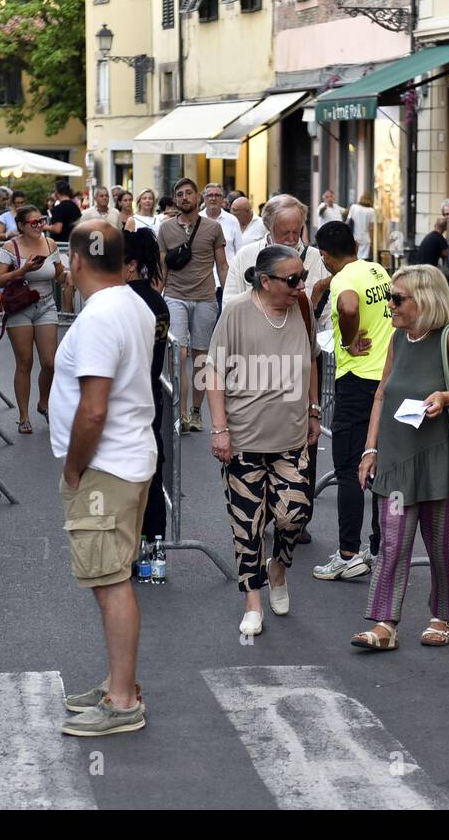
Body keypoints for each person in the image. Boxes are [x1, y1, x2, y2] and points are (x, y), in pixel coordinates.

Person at [350, 265, 449, 649]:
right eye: (390, 297)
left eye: (397, 298)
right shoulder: (399, 338)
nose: (390, 305)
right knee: (392, 542)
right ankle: (385, 624)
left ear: (426, 300)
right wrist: (370, 449)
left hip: (443, 461)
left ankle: (443, 617)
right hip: (398, 459)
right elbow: (383, 393)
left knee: (443, 545)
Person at [53, 220, 155, 737]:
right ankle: (122, 683)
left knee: (111, 582)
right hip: (128, 458)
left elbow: (93, 410)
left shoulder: (98, 316)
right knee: (113, 577)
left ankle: (121, 702)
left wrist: (73, 468)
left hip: (106, 466)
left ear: (75, 262)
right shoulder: (132, 302)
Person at [206, 245, 321, 636]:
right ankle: (252, 600)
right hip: (243, 438)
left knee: (295, 515)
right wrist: (219, 429)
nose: (300, 285)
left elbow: (310, 360)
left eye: (302, 276)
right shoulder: (237, 310)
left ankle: (279, 568)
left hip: (291, 436)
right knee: (247, 522)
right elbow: (214, 370)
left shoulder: (301, 308)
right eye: (292, 280)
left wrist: (314, 411)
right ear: (265, 280)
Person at [312, 221, 390, 582]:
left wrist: (346, 340)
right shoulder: (376, 269)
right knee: (377, 467)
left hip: (358, 379)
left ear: (326, 257)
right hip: (387, 379)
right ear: (355, 244)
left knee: (348, 468)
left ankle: (347, 553)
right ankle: (377, 549)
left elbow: (346, 305)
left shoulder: (344, 280)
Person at [157, 178, 227, 433]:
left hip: (206, 297)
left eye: (189, 193)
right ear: (174, 200)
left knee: (201, 358)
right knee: (179, 354)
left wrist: (227, 297)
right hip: (175, 296)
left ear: (197, 197)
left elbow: (222, 264)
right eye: (179, 194)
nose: (184, 197)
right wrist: (158, 296)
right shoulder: (165, 229)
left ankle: (197, 411)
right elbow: (162, 265)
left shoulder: (213, 228)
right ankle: (181, 412)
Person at [0, 205, 64, 433]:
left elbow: (60, 274)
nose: (39, 226)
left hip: (46, 304)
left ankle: (44, 402)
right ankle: (23, 417)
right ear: (21, 226)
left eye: (41, 221)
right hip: (20, 307)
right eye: (33, 222)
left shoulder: (51, 244)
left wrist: (74, 275)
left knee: (50, 362)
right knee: (24, 362)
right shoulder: (10, 246)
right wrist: (22, 270)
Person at [124, 228, 171, 548]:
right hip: (149, 399)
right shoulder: (156, 301)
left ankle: (127, 551)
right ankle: (153, 550)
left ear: (130, 264)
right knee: (151, 475)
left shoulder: (123, 303)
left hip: (125, 403)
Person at [201, 182, 243, 263]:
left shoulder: (232, 220)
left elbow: (239, 250)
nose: (213, 198)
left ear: (223, 199)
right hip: (202, 273)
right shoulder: (197, 219)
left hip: (228, 272)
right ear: (204, 199)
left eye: (217, 195)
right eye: (210, 195)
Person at [47, 180, 82, 245]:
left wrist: (45, 227)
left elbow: (57, 229)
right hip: (73, 243)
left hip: (61, 245)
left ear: (57, 192)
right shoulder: (75, 207)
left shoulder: (59, 208)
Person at [347, 191, 376, 261]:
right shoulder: (371, 211)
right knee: (364, 260)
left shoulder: (354, 207)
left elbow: (348, 222)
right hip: (366, 239)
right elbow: (371, 228)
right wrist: (372, 242)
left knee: (354, 259)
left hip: (355, 238)